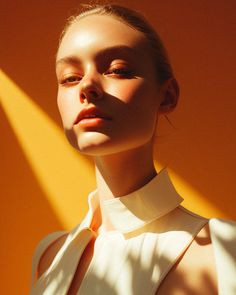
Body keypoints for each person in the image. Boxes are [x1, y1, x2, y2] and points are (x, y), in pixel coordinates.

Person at [30, 4, 236, 295]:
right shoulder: (49, 257)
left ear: (167, 96)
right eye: (70, 78)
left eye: (118, 70)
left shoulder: (224, 250)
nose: (87, 86)